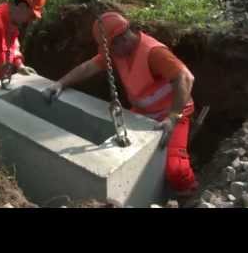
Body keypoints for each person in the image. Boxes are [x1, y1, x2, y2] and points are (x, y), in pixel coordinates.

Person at [43, 11, 198, 197]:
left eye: (109, 48)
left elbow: (186, 77)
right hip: (142, 112)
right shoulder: (117, 52)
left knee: (175, 170)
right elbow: (89, 67)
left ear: (120, 40)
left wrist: (173, 118)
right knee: (120, 153)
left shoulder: (154, 53)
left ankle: (189, 191)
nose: (107, 54)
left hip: (172, 115)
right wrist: (60, 83)